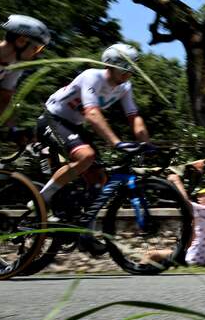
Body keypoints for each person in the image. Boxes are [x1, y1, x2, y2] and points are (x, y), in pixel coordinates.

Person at [36, 44, 150, 224]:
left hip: (73, 126)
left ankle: (84, 229)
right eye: (124, 68)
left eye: (132, 69)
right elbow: (92, 113)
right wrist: (116, 142)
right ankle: (40, 200)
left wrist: (145, 145)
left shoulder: (125, 87)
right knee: (86, 155)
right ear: (110, 65)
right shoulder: (92, 76)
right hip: (52, 119)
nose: (128, 73)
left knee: (99, 178)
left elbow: (134, 117)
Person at [145, 187, 205, 268]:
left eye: (203, 195)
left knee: (151, 254)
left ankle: (139, 271)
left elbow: (186, 203)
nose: (198, 197)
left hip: (196, 258)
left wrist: (177, 182)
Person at [0, 15, 52, 118]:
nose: (38, 54)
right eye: (37, 48)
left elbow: (5, 97)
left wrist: (12, 128)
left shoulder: (16, 64)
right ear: (21, 41)